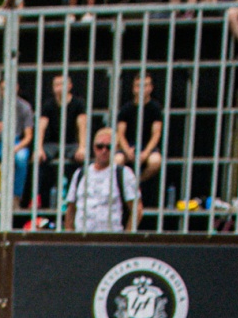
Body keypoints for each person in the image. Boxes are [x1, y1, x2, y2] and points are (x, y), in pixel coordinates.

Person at [64, 125, 139, 233]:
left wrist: (125, 237)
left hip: (111, 238)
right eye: (100, 146)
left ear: (116, 148)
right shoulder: (80, 173)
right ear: (94, 147)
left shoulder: (124, 174)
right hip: (82, 237)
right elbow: (70, 209)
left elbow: (137, 209)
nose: (104, 151)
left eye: (109, 147)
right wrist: (70, 236)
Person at [35, 72, 87, 220]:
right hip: (53, 145)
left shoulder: (78, 103)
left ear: (70, 86)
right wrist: (38, 148)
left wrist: (82, 147)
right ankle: (42, 205)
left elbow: (82, 125)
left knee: (80, 162)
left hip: (71, 144)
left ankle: (77, 204)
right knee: (41, 162)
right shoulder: (48, 105)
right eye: (56, 85)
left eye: (62, 84)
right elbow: (41, 126)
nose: (59, 88)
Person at [0, 77, 33, 208]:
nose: (6, 92)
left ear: (16, 88)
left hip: (17, 142)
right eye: (3, 89)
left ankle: (16, 196)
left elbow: (28, 137)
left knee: (21, 158)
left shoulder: (25, 107)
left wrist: (16, 148)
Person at [116, 72, 164, 204]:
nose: (142, 89)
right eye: (138, 86)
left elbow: (156, 134)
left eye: (145, 85)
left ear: (151, 88)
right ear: (133, 89)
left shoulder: (155, 109)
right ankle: (124, 187)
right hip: (129, 145)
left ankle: (136, 182)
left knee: (155, 161)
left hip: (147, 146)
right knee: (117, 160)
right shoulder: (126, 109)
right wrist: (127, 150)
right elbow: (120, 134)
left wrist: (146, 152)